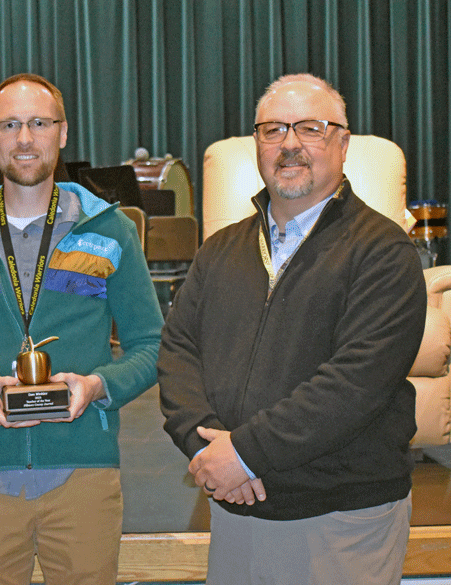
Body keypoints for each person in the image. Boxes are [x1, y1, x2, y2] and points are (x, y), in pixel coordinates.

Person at [158, 73, 426, 585]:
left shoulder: (383, 252)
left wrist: (243, 454)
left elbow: (355, 384)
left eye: (310, 129)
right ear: (256, 144)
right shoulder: (220, 250)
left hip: (339, 519)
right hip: (235, 509)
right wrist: (207, 451)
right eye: (273, 130)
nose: (290, 145)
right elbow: (178, 352)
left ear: (343, 144)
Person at [0, 73, 163, 585]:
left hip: (85, 475)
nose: (25, 138)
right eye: (9, 125)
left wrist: (98, 386)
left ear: (63, 132)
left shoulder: (110, 229)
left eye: (38, 123)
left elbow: (152, 345)